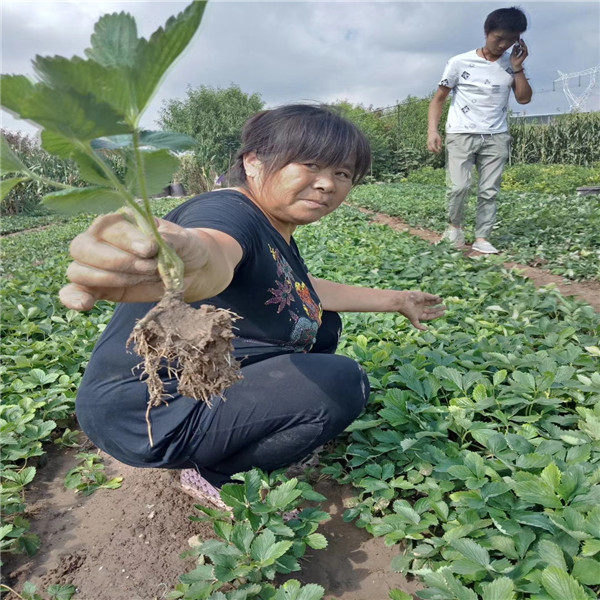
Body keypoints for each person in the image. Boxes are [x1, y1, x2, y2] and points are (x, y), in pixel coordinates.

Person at [60, 105, 446, 509]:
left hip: (171, 395)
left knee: (320, 322)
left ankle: (234, 435)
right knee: (342, 384)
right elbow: (214, 250)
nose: (327, 184)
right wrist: (192, 263)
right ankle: (214, 474)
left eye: (342, 173)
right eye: (311, 164)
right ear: (254, 161)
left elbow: (298, 288)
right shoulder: (229, 212)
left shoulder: (272, 223)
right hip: (146, 412)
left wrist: (398, 300)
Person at [427, 6, 532, 254]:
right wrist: (433, 130)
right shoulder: (459, 62)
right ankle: (454, 228)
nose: (502, 45)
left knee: (489, 190)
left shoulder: (511, 65)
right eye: (498, 38)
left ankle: (482, 237)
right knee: (459, 186)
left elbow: (524, 99)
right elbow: (439, 98)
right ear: (487, 32)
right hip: (461, 133)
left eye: (510, 40)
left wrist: (518, 67)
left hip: (496, 135)